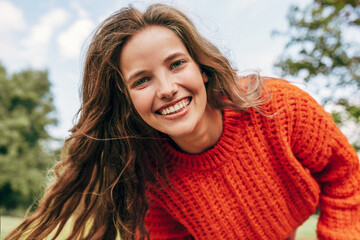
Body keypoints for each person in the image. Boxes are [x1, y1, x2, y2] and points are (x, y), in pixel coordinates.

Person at [5, 3, 360, 240]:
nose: (167, 89)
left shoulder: (278, 108)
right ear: (127, 101)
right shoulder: (151, 175)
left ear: (202, 68)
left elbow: (346, 176)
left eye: (176, 64)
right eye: (142, 80)